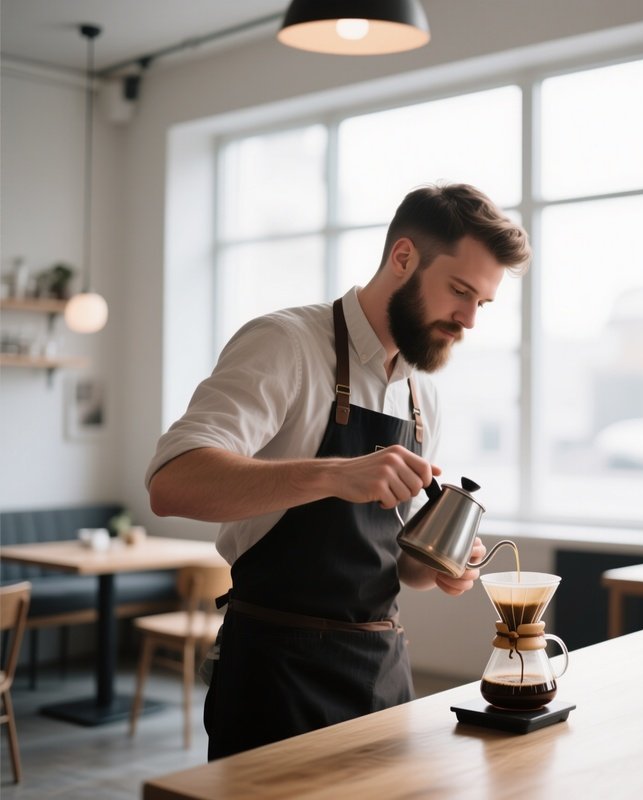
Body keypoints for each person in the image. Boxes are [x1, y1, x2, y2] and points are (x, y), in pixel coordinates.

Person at [145, 182, 531, 759]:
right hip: (275, 673)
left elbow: (401, 569)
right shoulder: (286, 344)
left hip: (382, 672)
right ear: (403, 258)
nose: (470, 320)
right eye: (459, 291)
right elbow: (171, 482)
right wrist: (334, 474)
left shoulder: (422, 392)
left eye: (483, 303)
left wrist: (444, 565)